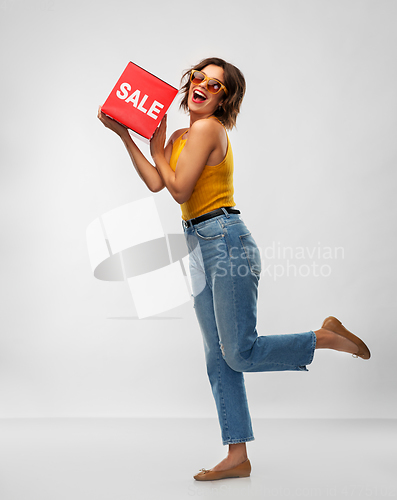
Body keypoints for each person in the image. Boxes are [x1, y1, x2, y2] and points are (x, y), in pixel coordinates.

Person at [98, 57, 371, 481]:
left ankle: (326, 337)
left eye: (217, 85)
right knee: (218, 359)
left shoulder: (209, 129)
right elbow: (158, 182)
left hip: (225, 241)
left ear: (225, 100)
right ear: (188, 82)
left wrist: (154, 148)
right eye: (198, 77)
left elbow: (179, 188)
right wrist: (124, 135)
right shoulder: (179, 135)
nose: (203, 86)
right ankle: (237, 455)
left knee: (239, 351)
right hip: (197, 243)